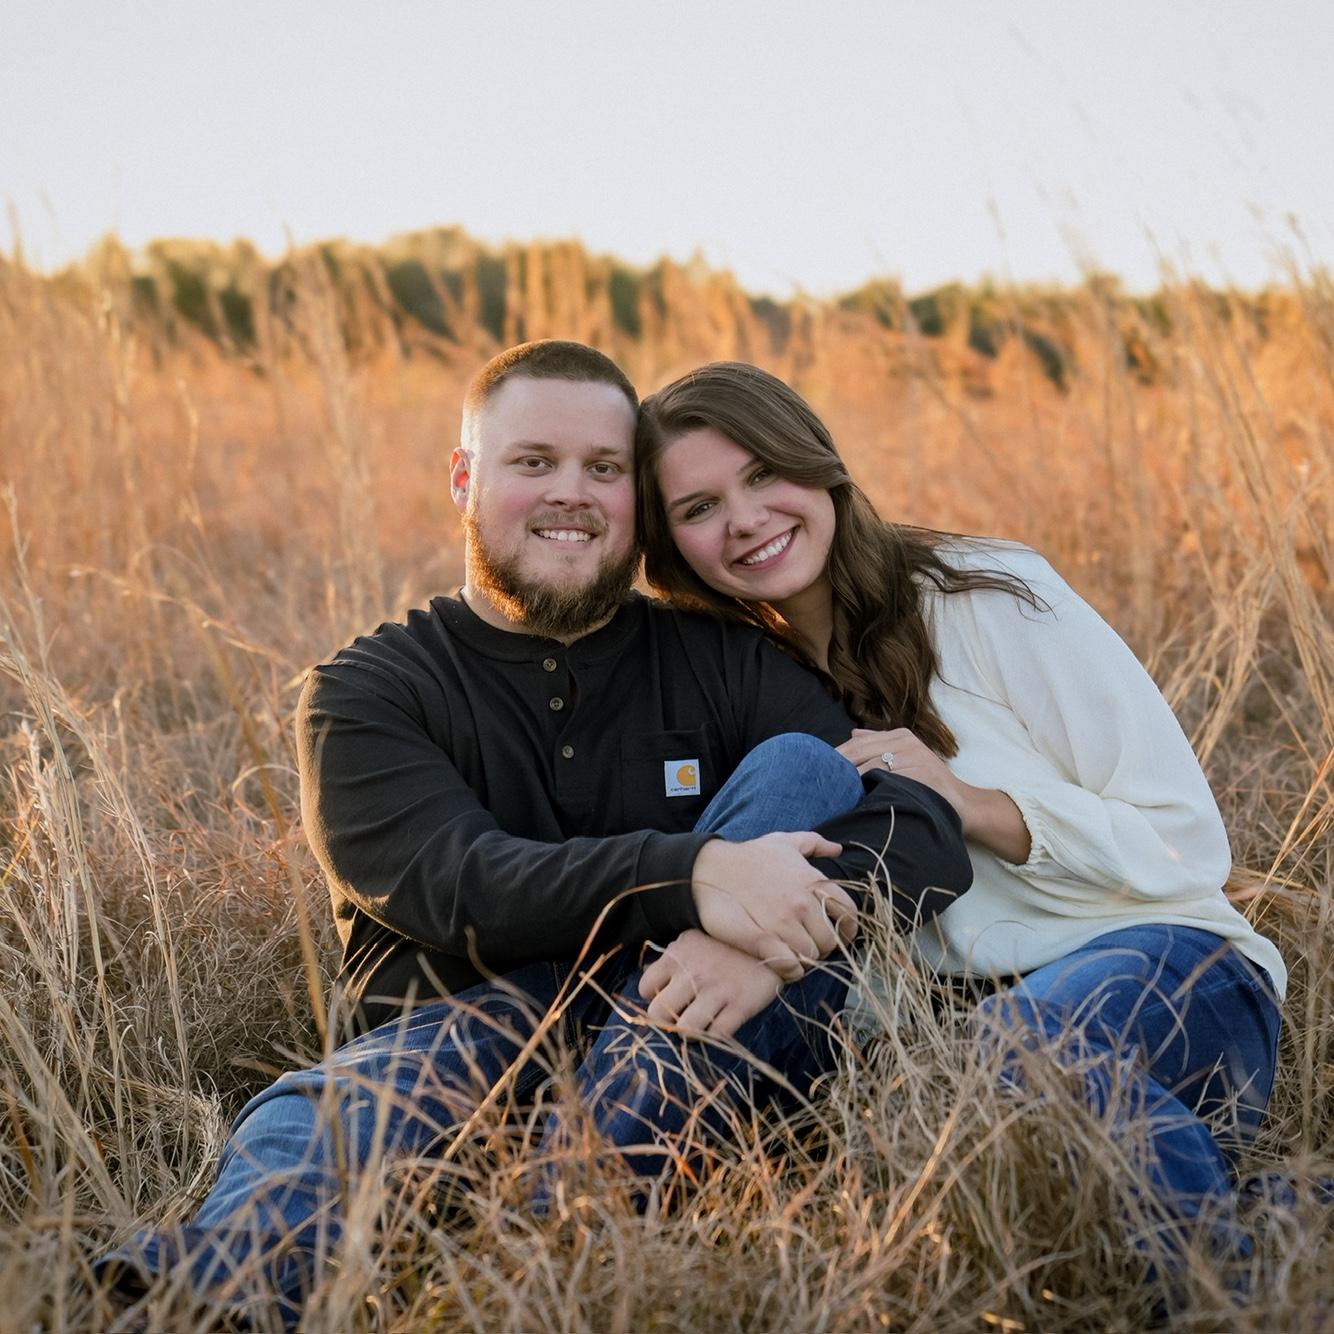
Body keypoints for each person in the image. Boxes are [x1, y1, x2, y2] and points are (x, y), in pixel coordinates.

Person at [95, 341, 972, 1325]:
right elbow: (461, 882)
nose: (572, 493)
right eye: (534, 462)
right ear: (463, 478)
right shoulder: (369, 692)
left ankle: (554, 1231)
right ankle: (208, 1297)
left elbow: (921, 829)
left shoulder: (724, 658)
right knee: (345, 1112)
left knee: (801, 771)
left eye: (604, 468)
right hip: (457, 1052)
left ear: (637, 501)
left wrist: (757, 941)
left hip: (704, 1046)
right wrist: (700, 878)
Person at [634, 360, 1286, 1254]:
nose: (744, 519)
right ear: (670, 546)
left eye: (763, 474)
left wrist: (968, 801)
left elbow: (1185, 841)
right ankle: (1283, 1209)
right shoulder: (734, 681)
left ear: (817, 462)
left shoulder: (986, 591)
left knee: (1012, 1053)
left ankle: (1230, 1293)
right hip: (952, 1024)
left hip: (1167, 967)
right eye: (700, 507)